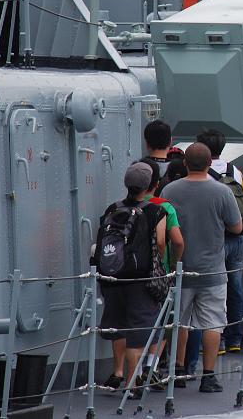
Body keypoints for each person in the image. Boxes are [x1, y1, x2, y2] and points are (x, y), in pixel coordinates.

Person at [162, 143, 242, 393]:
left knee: (180, 322)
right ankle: (208, 376)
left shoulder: (169, 190)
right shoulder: (221, 192)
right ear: (210, 164)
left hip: (180, 268)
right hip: (212, 270)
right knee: (213, 324)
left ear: (185, 163)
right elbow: (237, 227)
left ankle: (179, 370)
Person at [96, 162, 168, 390]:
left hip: (113, 278)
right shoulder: (156, 210)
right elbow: (160, 243)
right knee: (138, 330)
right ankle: (131, 384)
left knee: (118, 325)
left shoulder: (112, 209)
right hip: (140, 279)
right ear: (151, 186)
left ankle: (118, 372)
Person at [196, 129, 243, 354]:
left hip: (215, 238)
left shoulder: (203, 174)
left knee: (214, 289)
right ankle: (235, 339)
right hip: (237, 237)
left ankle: (214, 341)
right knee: (236, 286)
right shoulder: (234, 170)